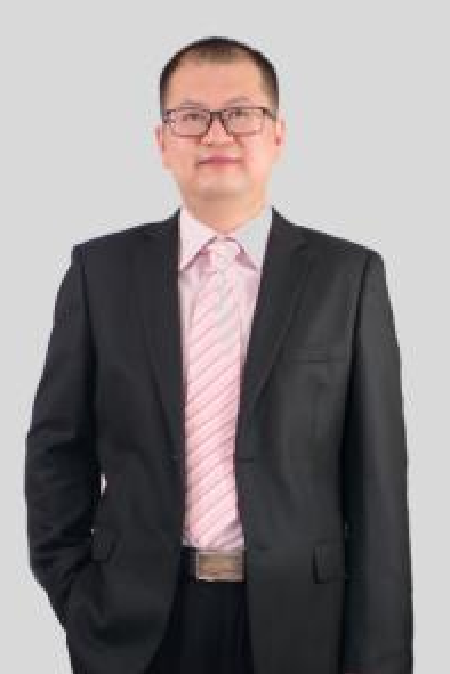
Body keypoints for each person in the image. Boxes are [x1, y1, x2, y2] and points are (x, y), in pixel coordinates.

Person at [24, 35, 413, 674]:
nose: (216, 133)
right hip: (136, 626)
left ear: (278, 135)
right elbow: (56, 452)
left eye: (241, 113)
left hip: (300, 625)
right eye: (191, 116)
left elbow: (378, 488)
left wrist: (380, 657)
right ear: (162, 141)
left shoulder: (348, 277)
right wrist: (76, 595)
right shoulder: (101, 273)